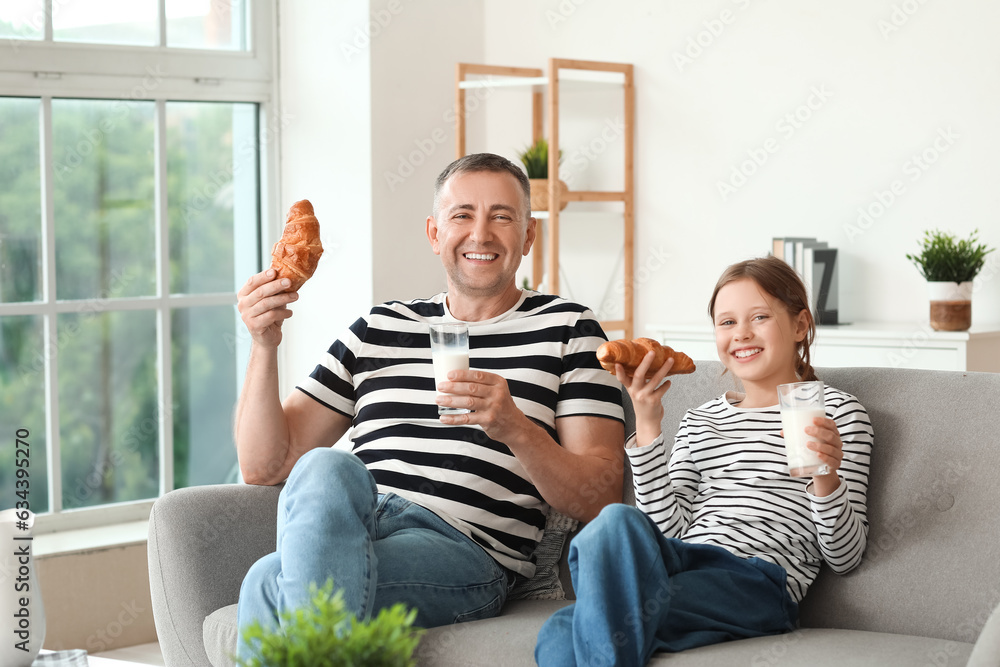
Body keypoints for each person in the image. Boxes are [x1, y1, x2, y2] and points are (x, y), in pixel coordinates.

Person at [233, 153, 625, 658]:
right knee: (324, 467)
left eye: (501, 217)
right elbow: (264, 466)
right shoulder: (377, 328)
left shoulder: (568, 328)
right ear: (435, 233)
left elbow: (601, 494)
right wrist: (264, 344)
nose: (480, 234)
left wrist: (516, 429)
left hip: (467, 552)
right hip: (361, 521)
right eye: (462, 215)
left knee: (267, 581)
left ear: (528, 237)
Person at [535, 255, 874, 667]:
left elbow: (845, 556)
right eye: (727, 322)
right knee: (605, 542)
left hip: (757, 582)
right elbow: (667, 530)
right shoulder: (701, 420)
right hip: (681, 572)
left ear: (800, 325)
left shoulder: (836, 413)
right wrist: (646, 423)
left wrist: (825, 475)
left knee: (567, 634)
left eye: (760, 317)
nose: (742, 334)